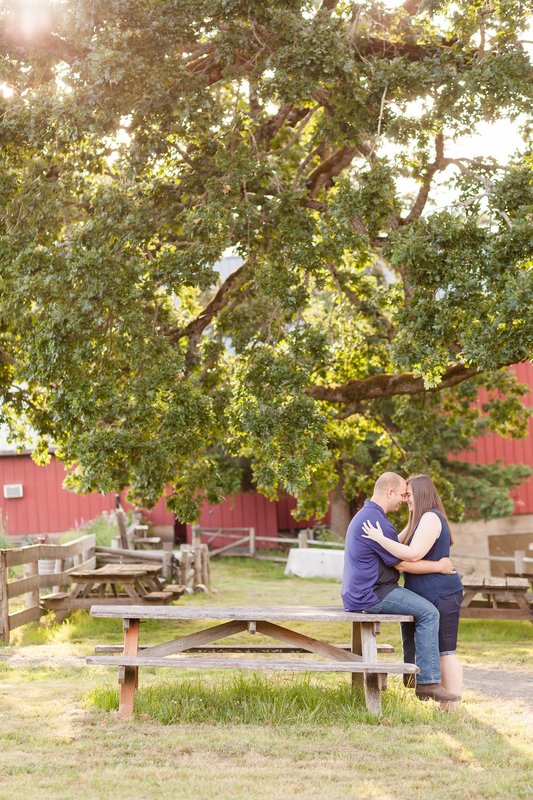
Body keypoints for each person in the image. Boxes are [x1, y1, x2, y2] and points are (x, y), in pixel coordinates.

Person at [341, 471, 459, 703]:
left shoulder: (369, 516)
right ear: (390, 492)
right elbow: (404, 562)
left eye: (409, 495)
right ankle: (427, 683)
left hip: (362, 592)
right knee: (428, 612)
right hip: (372, 593)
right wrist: (440, 566)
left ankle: (413, 674)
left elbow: (396, 543)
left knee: (415, 609)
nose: (404, 500)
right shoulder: (375, 522)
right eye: (403, 495)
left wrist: (411, 519)